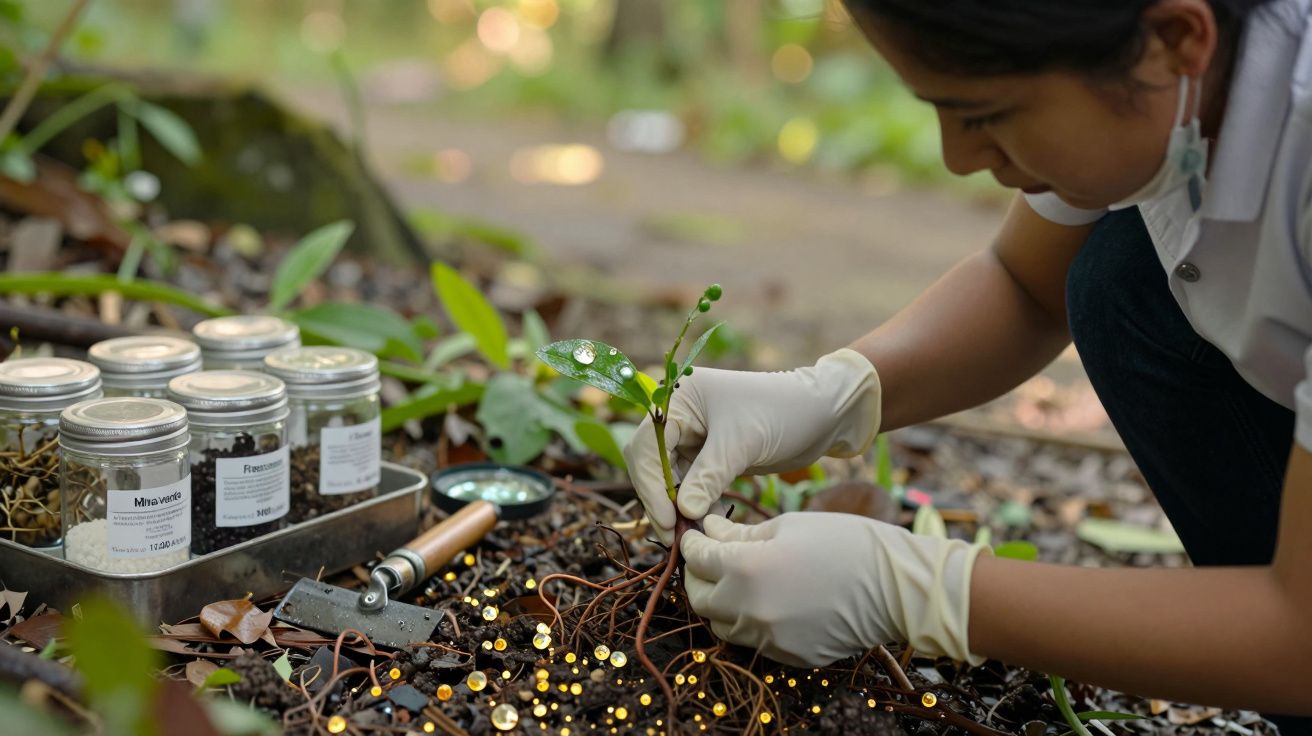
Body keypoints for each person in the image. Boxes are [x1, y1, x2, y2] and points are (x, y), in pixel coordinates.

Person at [622, 0, 1312, 731]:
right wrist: (835, 392)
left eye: (988, 113)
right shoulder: (1167, 94)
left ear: (1176, 40)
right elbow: (1024, 283)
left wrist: (929, 592)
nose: (957, 157)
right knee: (1122, 272)